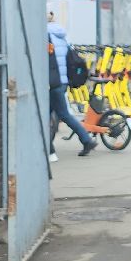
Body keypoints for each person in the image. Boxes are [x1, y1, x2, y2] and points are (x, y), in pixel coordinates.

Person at [46, 18, 96, 158]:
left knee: (62, 114)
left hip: (51, 82)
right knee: (48, 115)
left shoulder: (46, 35)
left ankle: (86, 140)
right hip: (62, 81)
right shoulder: (62, 36)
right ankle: (49, 149)